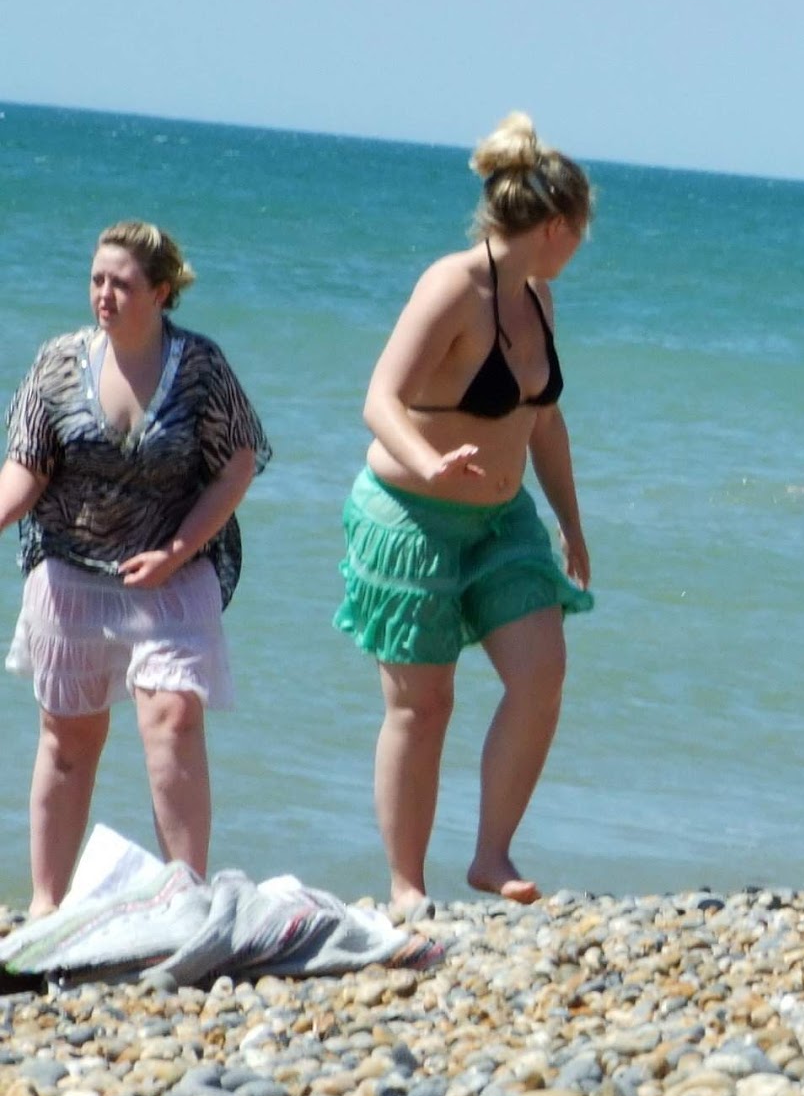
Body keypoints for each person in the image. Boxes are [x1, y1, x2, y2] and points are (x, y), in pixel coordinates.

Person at [333, 111, 594, 913]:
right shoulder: (453, 286)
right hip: (409, 516)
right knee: (423, 705)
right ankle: (406, 884)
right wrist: (428, 461)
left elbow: (543, 421)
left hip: (501, 521)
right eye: (582, 229)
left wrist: (572, 523)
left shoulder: (538, 296)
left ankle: (490, 854)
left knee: (541, 673)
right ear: (556, 226)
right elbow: (379, 399)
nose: (582, 243)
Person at [0, 220, 271, 917]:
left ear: (161, 292)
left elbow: (240, 462)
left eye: (121, 283)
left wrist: (177, 549)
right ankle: (47, 906)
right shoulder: (58, 362)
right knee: (68, 739)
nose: (104, 294)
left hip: (173, 572)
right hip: (69, 570)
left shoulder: (201, 367)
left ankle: (186, 899)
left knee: (174, 716)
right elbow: (26, 468)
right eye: (97, 280)